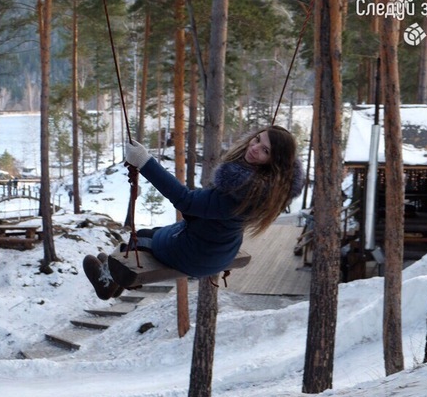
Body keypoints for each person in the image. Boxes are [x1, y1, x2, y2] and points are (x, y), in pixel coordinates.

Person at [84, 125, 305, 300]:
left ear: (275, 162)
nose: (255, 148)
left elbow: (185, 200)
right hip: (220, 249)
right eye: (257, 140)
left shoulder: (241, 191)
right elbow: (207, 207)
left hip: (196, 255)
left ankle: (107, 281)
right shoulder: (272, 189)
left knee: (140, 238)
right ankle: (113, 277)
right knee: (153, 233)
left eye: (265, 150)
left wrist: (145, 162)